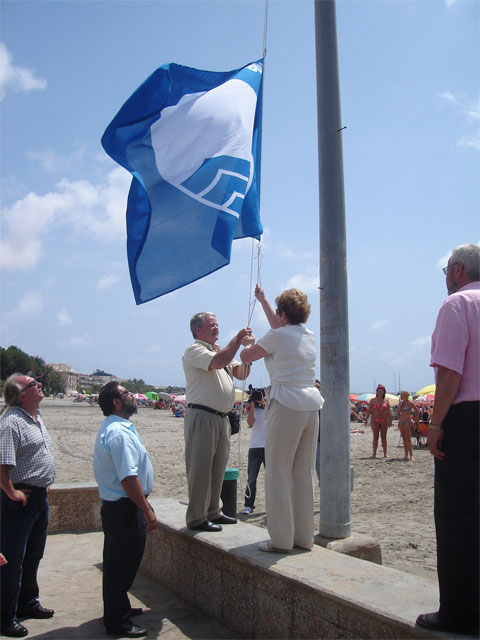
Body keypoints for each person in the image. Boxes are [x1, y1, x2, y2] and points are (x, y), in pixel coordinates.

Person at [416, 244, 480, 636]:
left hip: (468, 419)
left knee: (458, 516)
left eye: (445, 269)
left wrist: (436, 424)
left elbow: (450, 374)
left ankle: (459, 611)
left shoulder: (457, 305)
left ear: (457, 270)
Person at [240, 286, 323, 552]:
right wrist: (264, 301)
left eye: (278, 312)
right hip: (311, 405)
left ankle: (281, 540)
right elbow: (281, 328)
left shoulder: (278, 336)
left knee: (277, 471)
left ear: (283, 314)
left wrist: (248, 343)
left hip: (286, 403)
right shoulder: (308, 335)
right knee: (302, 472)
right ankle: (303, 537)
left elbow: (246, 357)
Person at [93, 382, 157, 638]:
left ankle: (119, 610)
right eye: (126, 393)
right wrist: (146, 509)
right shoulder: (118, 433)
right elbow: (129, 479)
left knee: (118, 564)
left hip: (120, 507)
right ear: (116, 402)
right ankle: (118, 622)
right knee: (121, 566)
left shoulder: (116, 428)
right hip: (124, 509)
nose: (132, 396)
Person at [182, 312, 254, 532]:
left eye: (217, 325)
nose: (216, 328)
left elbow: (241, 372)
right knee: (200, 468)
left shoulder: (218, 351)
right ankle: (196, 517)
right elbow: (218, 362)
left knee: (217, 468)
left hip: (222, 418)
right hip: (202, 416)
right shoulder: (195, 350)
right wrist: (237, 340)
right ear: (198, 330)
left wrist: (247, 352)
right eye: (211, 325)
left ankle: (214, 511)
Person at [0, 374, 56, 639]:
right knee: (12, 561)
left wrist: (43, 484)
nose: (40, 386)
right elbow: (2, 464)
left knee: (33, 556)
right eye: (35, 384)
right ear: (22, 394)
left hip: (38, 498)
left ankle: (28, 602)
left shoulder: (36, 416)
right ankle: (5, 616)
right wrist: (11, 491)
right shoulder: (11, 422)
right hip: (20, 502)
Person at [241, 388, 266, 515]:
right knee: (251, 479)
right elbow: (250, 423)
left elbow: (274, 417)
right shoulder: (254, 410)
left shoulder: (269, 408)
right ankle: (248, 505)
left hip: (269, 447)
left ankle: (273, 503)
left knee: (271, 478)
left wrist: (263, 402)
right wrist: (252, 406)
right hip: (255, 447)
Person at [364, 385, 393, 458]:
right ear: (376, 392)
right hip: (375, 419)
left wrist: (390, 421)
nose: (380, 393)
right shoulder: (373, 400)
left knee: (384, 437)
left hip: (384, 420)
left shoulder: (386, 401)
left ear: (384, 392)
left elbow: (389, 412)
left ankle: (385, 453)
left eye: (381, 391)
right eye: (379, 391)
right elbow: (369, 411)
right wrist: (366, 419)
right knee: (375, 437)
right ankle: (374, 454)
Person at [397, 390, 419, 461]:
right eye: (401, 395)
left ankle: (411, 455)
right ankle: (406, 454)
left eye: (403, 395)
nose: (402, 396)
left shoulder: (410, 403)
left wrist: (415, 421)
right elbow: (398, 412)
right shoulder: (401, 403)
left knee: (408, 438)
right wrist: (399, 407)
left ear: (406, 395)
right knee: (403, 438)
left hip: (407, 421)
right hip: (401, 421)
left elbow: (418, 411)